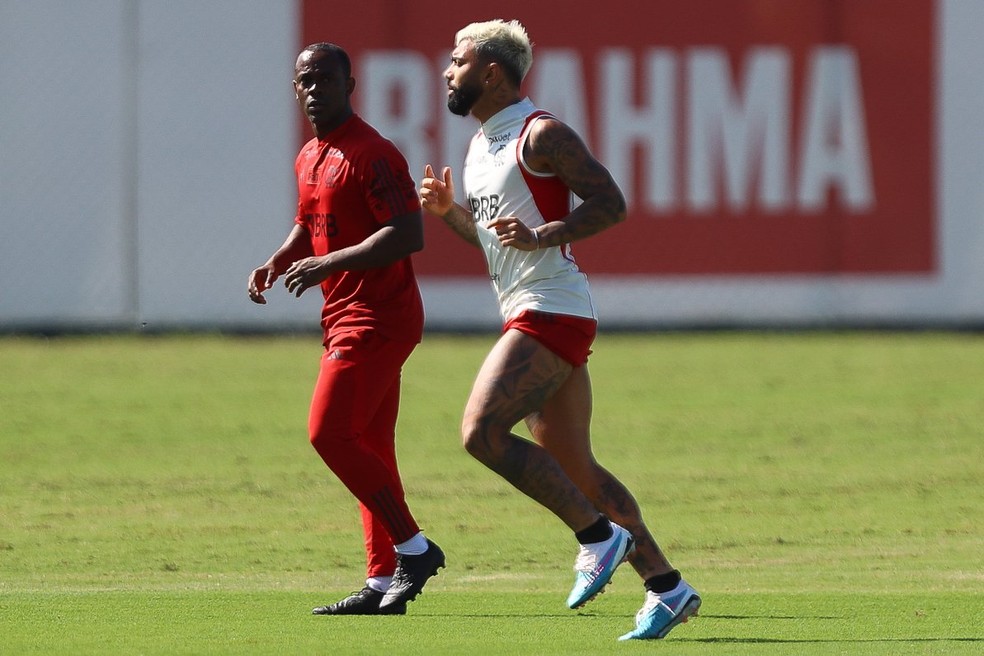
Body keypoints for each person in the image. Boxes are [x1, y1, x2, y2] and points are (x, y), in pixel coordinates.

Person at [419, 20, 700, 640]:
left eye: (458, 60)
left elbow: (611, 203)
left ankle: (597, 538)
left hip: (552, 307)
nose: (447, 71)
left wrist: (546, 234)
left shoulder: (539, 132)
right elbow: (498, 244)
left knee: (480, 432)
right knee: (577, 467)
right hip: (528, 304)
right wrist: (451, 216)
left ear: (491, 72)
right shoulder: (478, 146)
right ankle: (666, 587)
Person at [248, 42, 444, 616]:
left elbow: (408, 234)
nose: (315, 90)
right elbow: (311, 221)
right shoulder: (309, 153)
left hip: (380, 315)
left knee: (328, 433)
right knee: (370, 445)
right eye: (305, 81)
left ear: (349, 85)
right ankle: (382, 581)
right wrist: (281, 258)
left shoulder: (374, 153)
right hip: (343, 314)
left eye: (326, 80)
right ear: (295, 88)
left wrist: (327, 265)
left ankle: (415, 549)